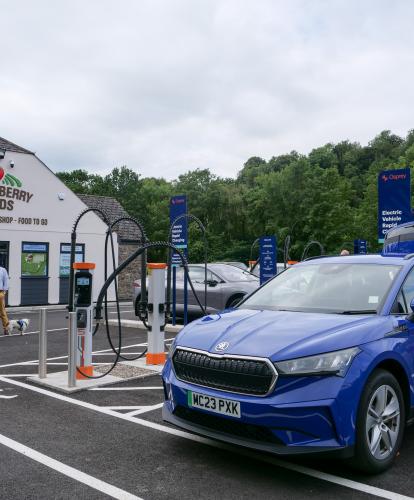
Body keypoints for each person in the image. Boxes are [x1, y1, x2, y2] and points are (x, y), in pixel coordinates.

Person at [0, 265, 9, 335]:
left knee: (2, 311)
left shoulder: (2, 270)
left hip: (0, 292)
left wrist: (4, 292)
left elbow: (6, 280)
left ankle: (6, 328)